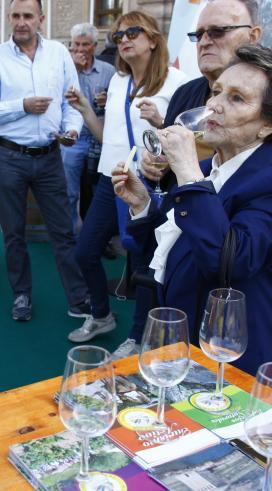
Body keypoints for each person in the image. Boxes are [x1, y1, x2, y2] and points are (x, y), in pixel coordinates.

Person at [112, 44, 272, 374]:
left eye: (236, 98)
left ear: (269, 125)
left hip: (234, 366)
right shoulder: (203, 171)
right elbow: (167, 256)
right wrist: (143, 206)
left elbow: (228, 266)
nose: (214, 104)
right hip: (180, 352)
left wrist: (188, 173)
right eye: (217, 91)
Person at [65, 10, 189, 345]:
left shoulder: (176, 82)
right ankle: (102, 315)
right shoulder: (119, 82)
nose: (123, 40)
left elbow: (186, 141)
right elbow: (108, 138)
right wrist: (85, 110)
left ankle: (137, 338)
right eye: (118, 36)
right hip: (111, 178)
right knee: (85, 251)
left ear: (153, 39)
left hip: (149, 185)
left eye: (132, 32)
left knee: (144, 266)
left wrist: (161, 120)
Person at [151, 0, 272, 216]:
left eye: (217, 31)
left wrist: (237, 222)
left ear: (253, 36)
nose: (204, 42)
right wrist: (158, 167)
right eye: (199, 34)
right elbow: (169, 163)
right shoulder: (185, 93)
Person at [0, 0, 90, 322]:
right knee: (13, 233)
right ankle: (21, 295)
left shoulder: (58, 54)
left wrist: (71, 130)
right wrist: (22, 105)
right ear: (9, 18)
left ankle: (78, 298)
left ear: (41, 19)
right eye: (16, 15)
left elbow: (71, 102)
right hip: (10, 157)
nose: (21, 22)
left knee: (64, 232)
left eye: (28, 15)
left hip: (50, 156)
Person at [62, 23, 114, 233]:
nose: (80, 49)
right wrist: (72, 68)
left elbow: (118, 103)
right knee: (70, 191)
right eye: (76, 44)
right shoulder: (63, 69)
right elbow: (56, 99)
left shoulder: (108, 71)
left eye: (85, 45)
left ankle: (99, 236)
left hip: (98, 138)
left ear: (94, 46)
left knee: (97, 191)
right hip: (72, 139)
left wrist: (107, 101)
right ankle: (72, 232)